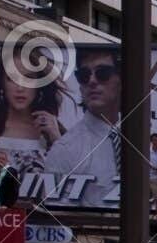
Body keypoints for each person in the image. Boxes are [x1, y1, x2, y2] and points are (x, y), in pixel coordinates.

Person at [43, 46, 123, 207]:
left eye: (103, 73)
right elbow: (59, 214)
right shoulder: (63, 150)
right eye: (84, 76)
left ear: (121, 79)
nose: (92, 81)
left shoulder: (142, 136)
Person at [0, 48, 65, 174]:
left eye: (28, 78)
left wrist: (58, 141)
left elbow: (75, 182)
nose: (20, 87)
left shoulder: (53, 131)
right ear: (1, 82)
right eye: (12, 78)